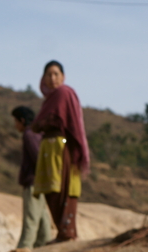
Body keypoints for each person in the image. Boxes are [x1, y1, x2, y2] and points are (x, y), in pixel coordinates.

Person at [31, 60, 90, 242]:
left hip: (61, 147)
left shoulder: (64, 93)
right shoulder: (49, 100)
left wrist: (45, 123)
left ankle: (67, 232)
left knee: (62, 189)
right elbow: (36, 125)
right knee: (52, 190)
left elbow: (69, 124)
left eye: (56, 74)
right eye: (49, 74)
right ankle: (62, 232)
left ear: (63, 77)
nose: (52, 78)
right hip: (49, 147)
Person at [12, 106, 52, 248]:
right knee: (42, 218)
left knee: (31, 218)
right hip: (40, 181)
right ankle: (46, 246)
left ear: (22, 120)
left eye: (15, 121)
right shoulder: (38, 133)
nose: (15, 125)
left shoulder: (29, 134)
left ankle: (23, 249)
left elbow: (38, 157)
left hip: (33, 182)